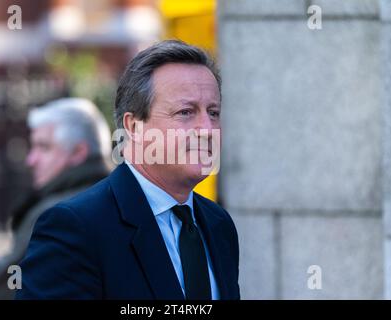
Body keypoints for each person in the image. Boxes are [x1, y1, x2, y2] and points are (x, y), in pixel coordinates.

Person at [16, 40, 240, 300]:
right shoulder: (75, 228)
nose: (207, 129)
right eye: (185, 112)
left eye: (213, 112)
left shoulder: (218, 224)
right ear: (134, 127)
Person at [0, 97, 113, 299]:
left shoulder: (54, 213)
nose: (31, 160)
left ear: (78, 152)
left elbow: (2, 290)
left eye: (44, 147)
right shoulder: (124, 198)